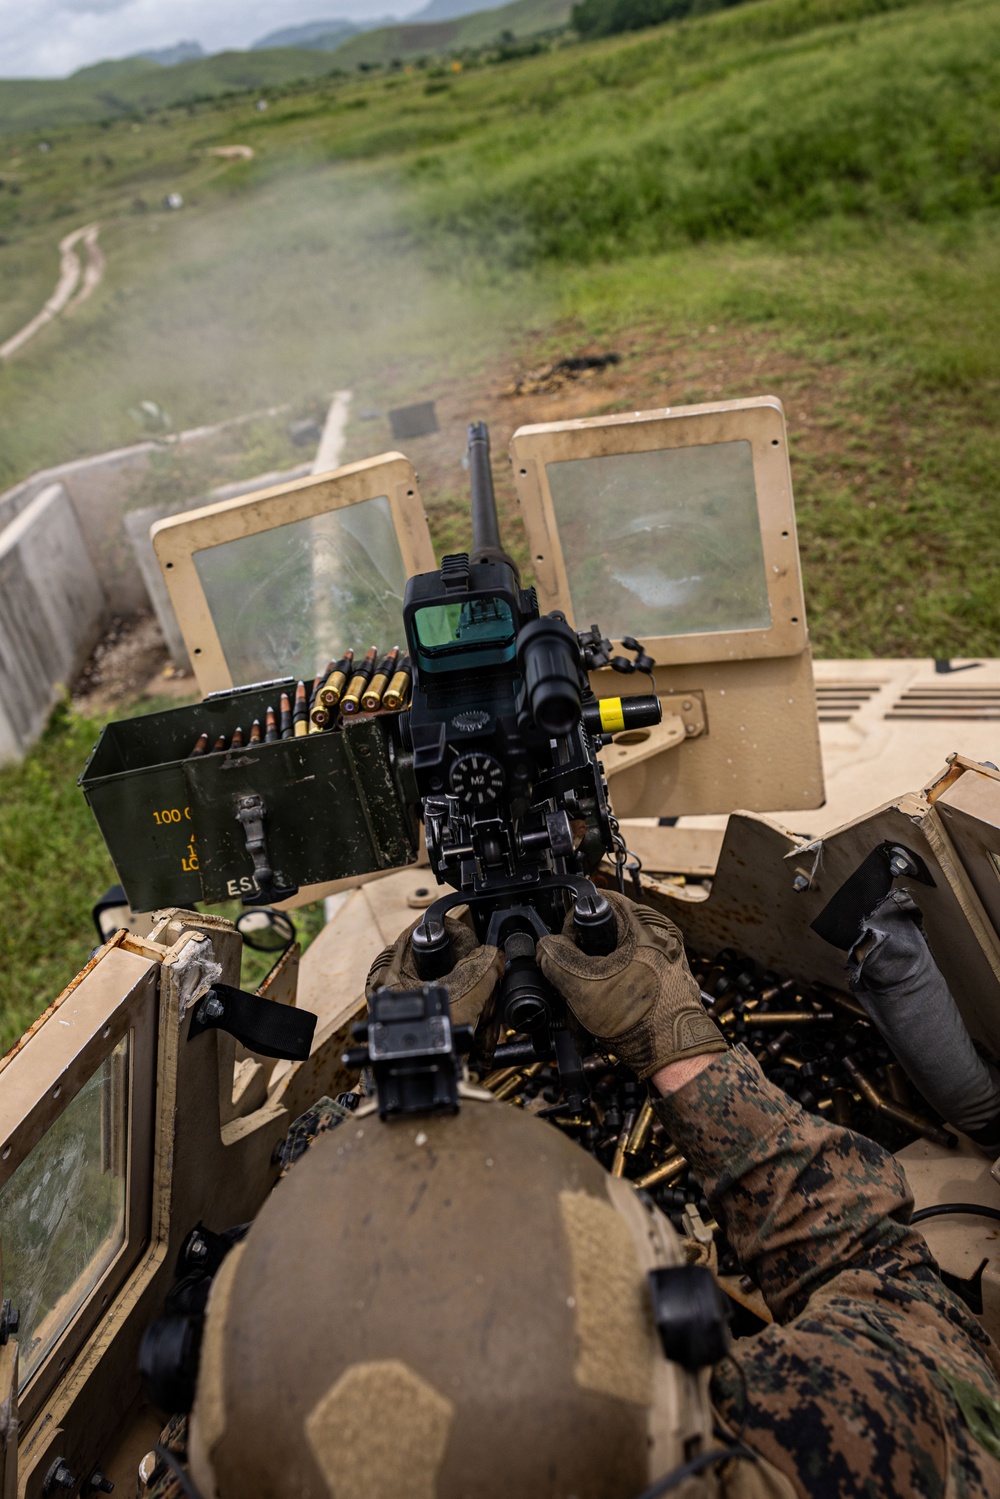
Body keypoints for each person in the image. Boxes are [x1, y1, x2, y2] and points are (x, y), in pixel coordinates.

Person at [187, 892, 1000, 1499]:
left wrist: (398, 1080)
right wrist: (674, 1041)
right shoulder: (842, 1443)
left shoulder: (250, 1462)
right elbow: (885, 1280)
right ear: (677, 1313)